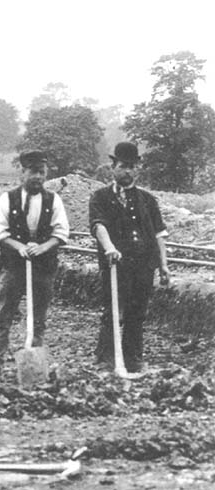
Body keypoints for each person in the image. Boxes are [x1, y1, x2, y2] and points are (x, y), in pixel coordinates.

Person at [0, 150, 70, 386]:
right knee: (3, 316)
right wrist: (19, 246)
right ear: (22, 172)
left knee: (38, 319)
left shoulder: (53, 200)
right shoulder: (7, 199)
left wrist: (43, 247)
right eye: (33, 172)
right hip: (14, 267)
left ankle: (35, 369)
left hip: (44, 268)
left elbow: (61, 233)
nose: (38, 177)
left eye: (42, 172)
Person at [89, 142, 170, 373]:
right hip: (116, 264)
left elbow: (159, 234)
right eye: (124, 166)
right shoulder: (100, 197)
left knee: (137, 313)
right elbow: (98, 226)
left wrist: (163, 265)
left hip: (144, 265)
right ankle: (106, 360)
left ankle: (133, 359)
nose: (128, 171)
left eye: (133, 167)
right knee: (114, 311)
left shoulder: (147, 200)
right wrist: (109, 248)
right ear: (113, 167)